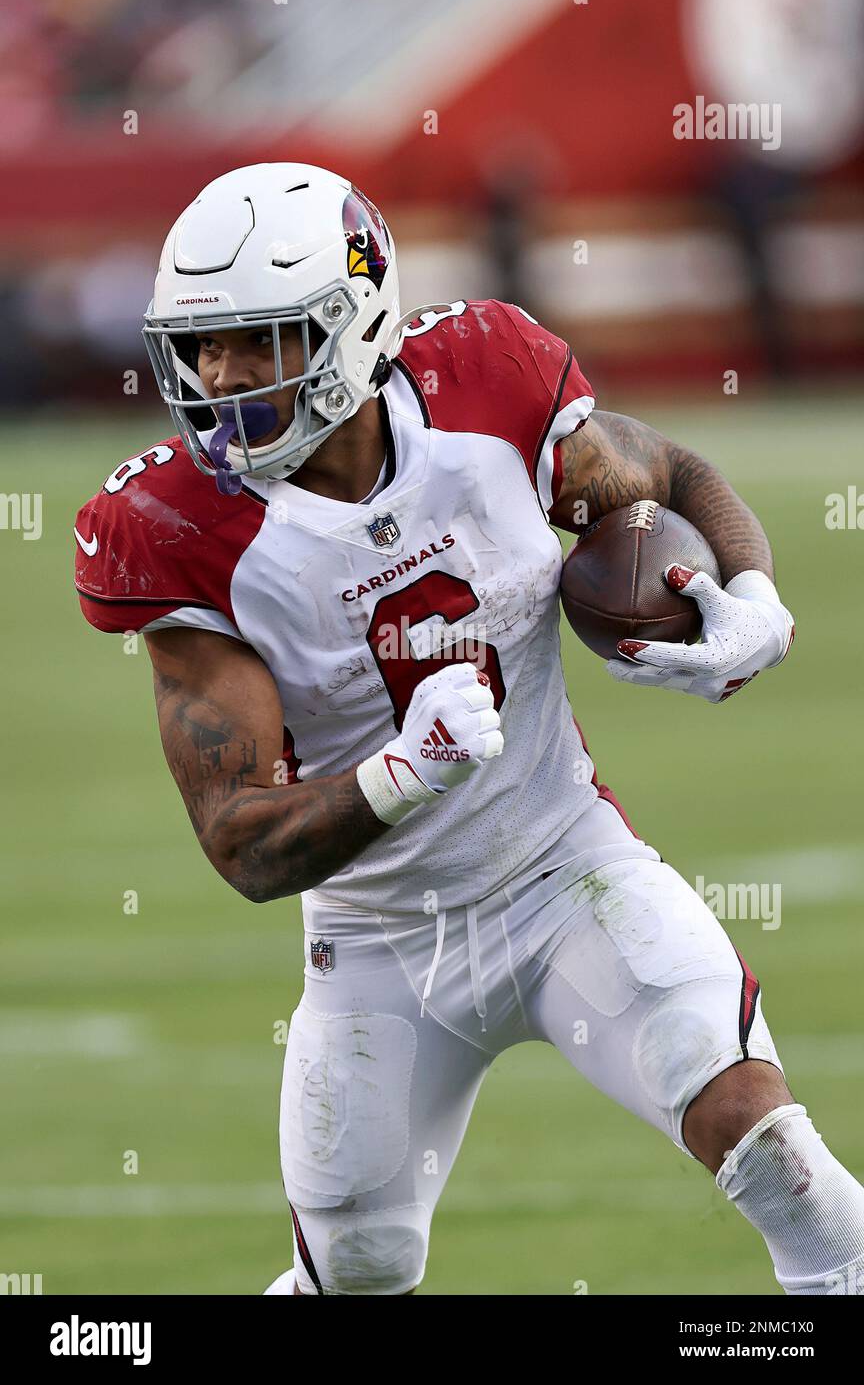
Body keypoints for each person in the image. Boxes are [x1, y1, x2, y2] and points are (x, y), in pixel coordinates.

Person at [74, 163, 864, 1296]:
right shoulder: (174, 526)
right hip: (380, 937)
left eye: (258, 341)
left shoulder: (488, 382)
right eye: (200, 348)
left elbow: (668, 467)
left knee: (775, 1150)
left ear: (351, 325)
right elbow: (242, 840)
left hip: (564, 870)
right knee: (359, 1268)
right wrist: (404, 773)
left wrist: (752, 590)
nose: (218, 378)